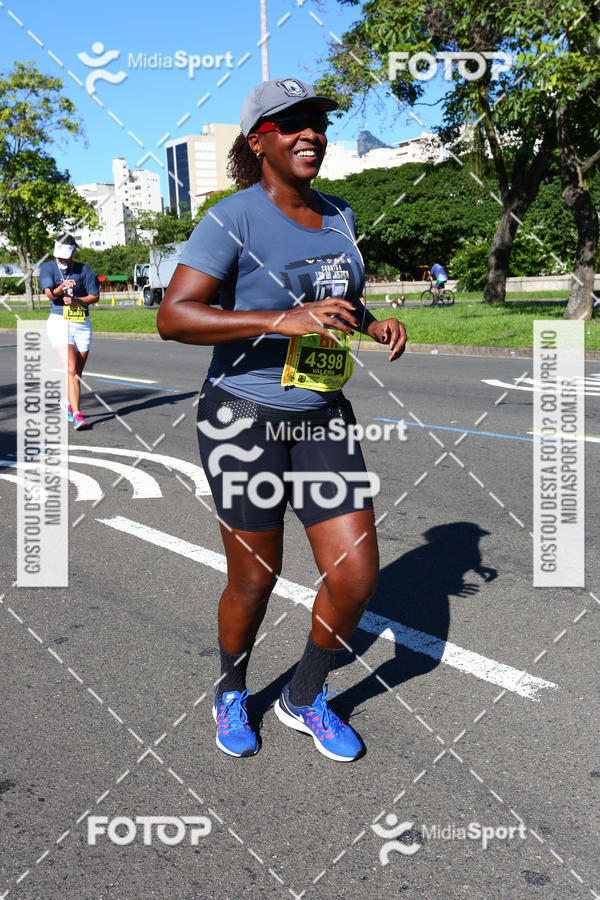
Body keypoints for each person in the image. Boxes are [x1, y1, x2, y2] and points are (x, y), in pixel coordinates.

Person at [157, 77, 407, 762]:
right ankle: (231, 689)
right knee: (255, 577)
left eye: (317, 122)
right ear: (258, 141)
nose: (310, 134)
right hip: (243, 416)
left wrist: (371, 321)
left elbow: (335, 298)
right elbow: (174, 317)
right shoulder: (231, 218)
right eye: (291, 123)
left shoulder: (340, 213)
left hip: (322, 413)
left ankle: (304, 696)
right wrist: (279, 319)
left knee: (355, 575)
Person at [39, 235, 100, 430]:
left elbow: (95, 296)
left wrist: (77, 301)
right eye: (59, 256)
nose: (62, 260)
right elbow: (49, 294)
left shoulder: (84, 270)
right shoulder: (48, 268)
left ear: (73, 253)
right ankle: (77, 415)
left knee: (76, 373)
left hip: (82, 323)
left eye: (66, 256)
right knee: (72, 368)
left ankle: (67, 402)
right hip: (59, 322)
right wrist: (62, 287)